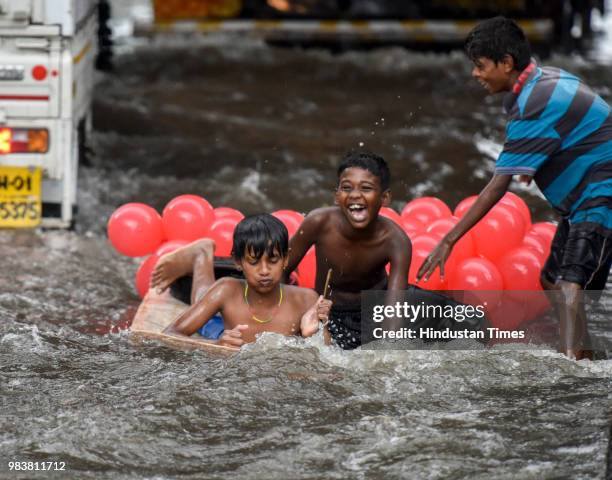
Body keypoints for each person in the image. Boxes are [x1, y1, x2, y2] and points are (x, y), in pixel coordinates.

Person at [417, 16, 612, 360]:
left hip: (600, 197)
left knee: (569, 284)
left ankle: (575, 370)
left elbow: (496, 188)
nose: (475, 74)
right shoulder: (548, 78)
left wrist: (448, 240)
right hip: (585, 196)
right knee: (553, 281)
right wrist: (532, 163)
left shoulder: (534, 105)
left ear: (506, 63)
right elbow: (575, 131)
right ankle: (585, 355)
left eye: (480, 66)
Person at [286, 151, 412, 350]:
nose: (355, 195)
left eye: (366, 188)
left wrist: (388, 350)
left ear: (384, 197)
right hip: (328, 312)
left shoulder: (396, 241)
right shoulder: (319, 222)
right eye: (346, 188)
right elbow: (281, 271)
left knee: (459, 322)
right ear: (337, 195)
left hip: (373, 311)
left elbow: (393, 311)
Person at [151, 214, 332, 348]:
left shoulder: (306, 300)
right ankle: (202, 254)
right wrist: (216, 344)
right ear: (238, 262)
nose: (264, 271)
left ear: (285, 260)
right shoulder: (227, 290)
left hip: (235, 332)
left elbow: (327, 359)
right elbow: (169, 335)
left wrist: (312, 334)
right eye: (253, 262)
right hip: (225, 335)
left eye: (273, 260)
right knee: (204, 302)